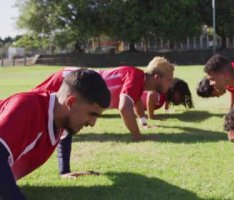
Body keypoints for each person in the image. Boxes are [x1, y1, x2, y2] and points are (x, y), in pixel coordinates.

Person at [34, 56, 175, 178]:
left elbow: (136, 101)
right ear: (157, 77)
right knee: (35, 109)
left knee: (45, 115)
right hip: (70, 78)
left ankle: (63, 170)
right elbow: (125, 108)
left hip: (72, 76)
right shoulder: (136, 76)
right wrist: (138, 137)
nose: (170, 85)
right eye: (169, 80)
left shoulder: (138, 80)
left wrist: (143, 122)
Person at [0, 69, 110, 199]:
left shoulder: (60, 116)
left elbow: (65, 133)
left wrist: (64, 170)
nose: (92, 123)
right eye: (92, 114)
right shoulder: (28, 107)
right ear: (71, 103)